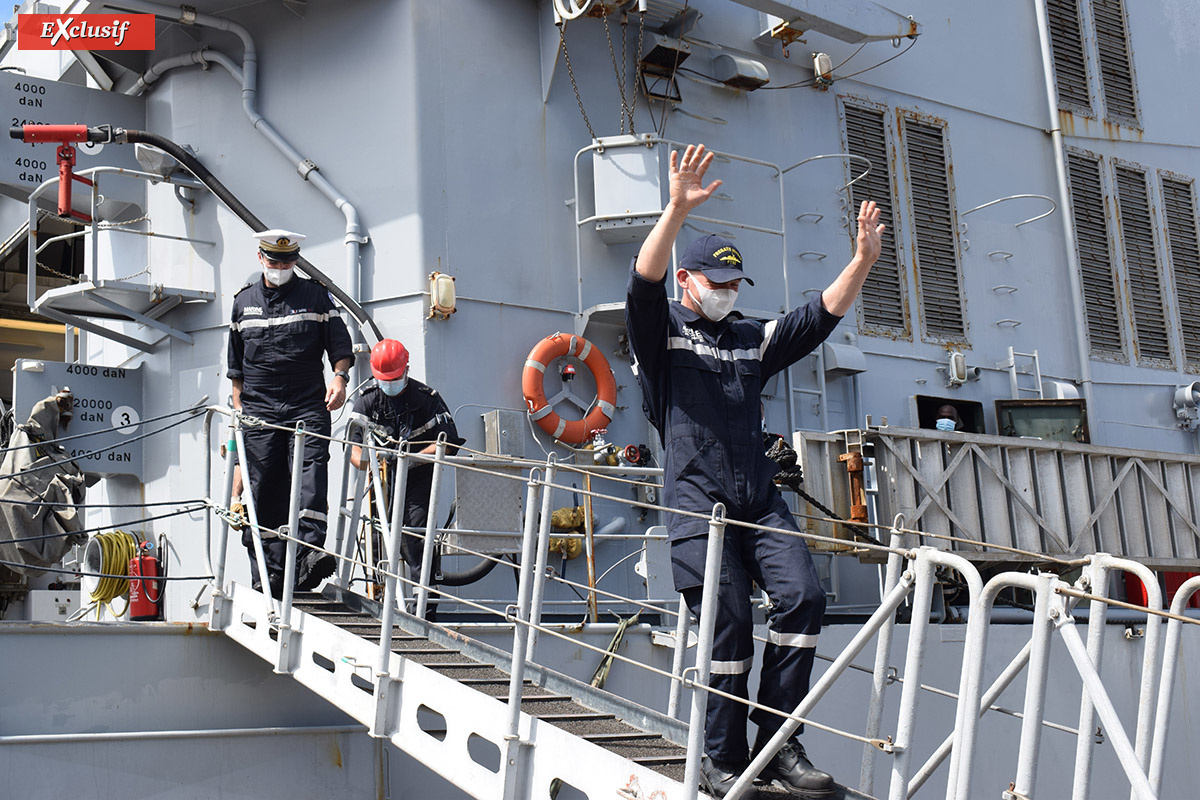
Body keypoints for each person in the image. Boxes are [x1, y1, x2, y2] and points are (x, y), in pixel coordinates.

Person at [625, 144, 883, 798]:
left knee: (804, 598)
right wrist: (677, 210)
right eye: (715, 282)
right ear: (688, 281)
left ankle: (776, 744)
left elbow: (814, 319)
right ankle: (720, 757)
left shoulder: (747, 339)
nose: (726, 293)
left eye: (734, 284)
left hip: (758, 502)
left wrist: (860, 262)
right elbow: (642, 283)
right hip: (697, 511)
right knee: (730, 624)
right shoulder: (662, 339)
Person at [227, 230, 354, 598]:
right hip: (259, 411)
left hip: (306, 405)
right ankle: (269, 577)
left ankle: (309, 559)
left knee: (311, 477)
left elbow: (340, 346)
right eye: (274, 261)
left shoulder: (315, 296)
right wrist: (239, 413)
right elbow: (236, 369)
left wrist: (340, 378)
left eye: (287, 262)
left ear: (296, 260)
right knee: (264, 489)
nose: (281, 267)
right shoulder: (242, 303)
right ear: (260, 258)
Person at [347, 339, 465, 618]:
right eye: (384, 379)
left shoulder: (427, 399)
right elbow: (354, 453)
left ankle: (424, 608)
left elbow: (446, 442)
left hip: (418, 477)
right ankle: (378, 600)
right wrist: (376, 462)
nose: (390, 383)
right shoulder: (366, 402)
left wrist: (408, 459)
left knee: (417, 535)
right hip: (382, 481)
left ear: (406, 370)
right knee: (378, 539)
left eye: (395, 378)